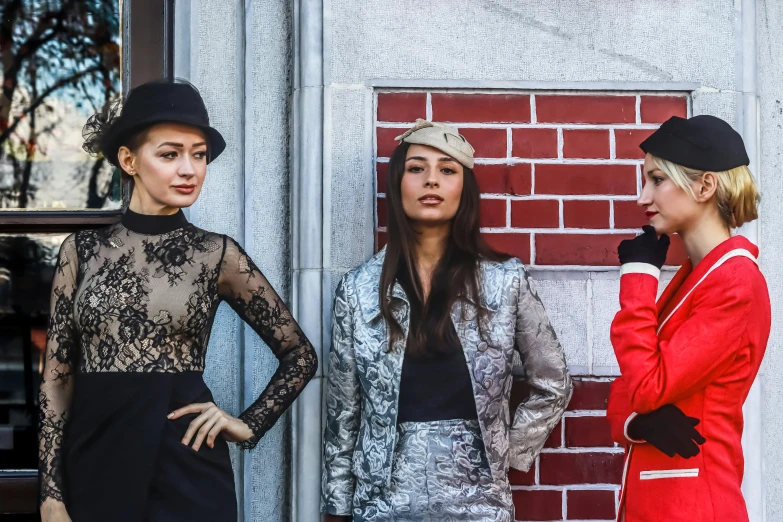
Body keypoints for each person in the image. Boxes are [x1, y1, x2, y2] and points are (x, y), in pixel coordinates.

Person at [37, 79, 318, 522]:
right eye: (170, 154)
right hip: (94, 462)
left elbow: (300, 355)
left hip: (188, 469)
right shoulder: (81, 251)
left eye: (199, 154)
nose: (189, 169)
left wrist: (246, 424)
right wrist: (51, 494)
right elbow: (57, 378)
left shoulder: (217, 254)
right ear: (129, 161)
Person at [321, 119, 572, 522]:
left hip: (479, 504)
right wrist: (335, 506)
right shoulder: (358, 289)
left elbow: (553, 382)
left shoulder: (504, 280)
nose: (432, 181)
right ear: (397, 183)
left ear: (464, 189)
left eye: (448, 170)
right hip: (381, 505)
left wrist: (506, 452)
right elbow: (343, 413)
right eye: (417, 168)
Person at [607, 115, 770, 522]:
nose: (643, 198)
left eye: (657, 180)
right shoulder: (696, 278)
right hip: (660, 501)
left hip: (696, 503)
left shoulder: (734, 283)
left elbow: (644, 386)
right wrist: (636, 423)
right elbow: (622, 393)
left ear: (704, 185)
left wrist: (639, 277)